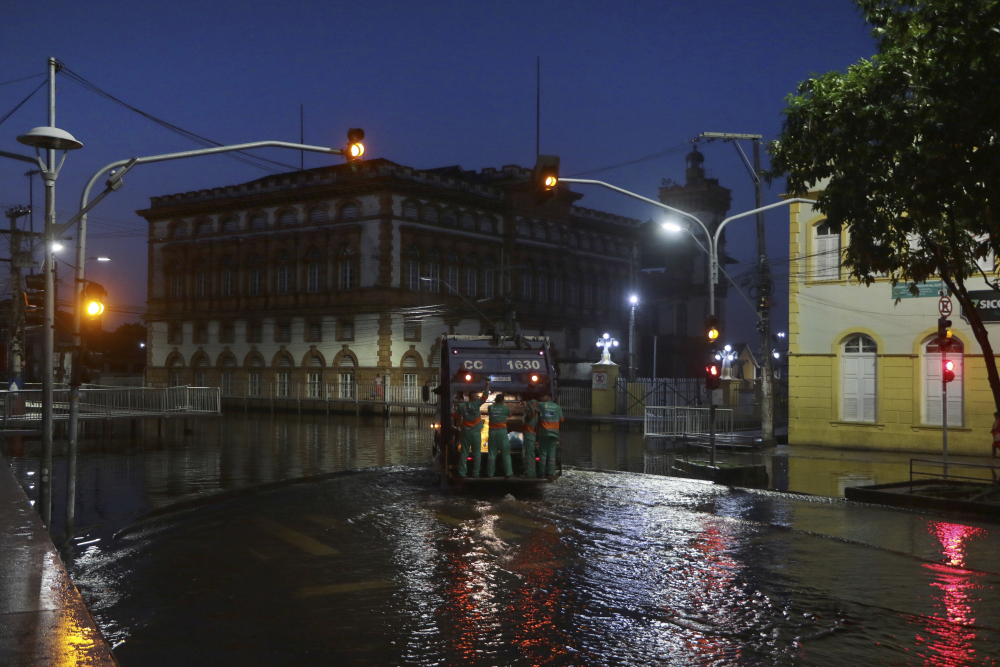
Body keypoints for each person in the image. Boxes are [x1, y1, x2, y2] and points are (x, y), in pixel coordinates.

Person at [452, 382, 489, 477]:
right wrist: (487, 385)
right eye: (476, 396)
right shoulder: (476, 404)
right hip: (476, 433)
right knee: (477, 454)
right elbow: (485, 396)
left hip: (466, 433)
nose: (477, 397)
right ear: (472, 397)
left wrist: (450, 411)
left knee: (464, 453)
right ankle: (476, 473)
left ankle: (462, 472)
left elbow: (455, 415)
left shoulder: (462, 406)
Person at [536, 393, 564, 480]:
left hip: (544, 433)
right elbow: (562, 419)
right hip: (554, 434)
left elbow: (533, 405)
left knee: (543, 453)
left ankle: (542, 473)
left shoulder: (541, 405)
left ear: (545, 397)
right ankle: (550, 474)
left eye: (542, 397)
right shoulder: (557, 407)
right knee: (552, 454)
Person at [487, 393, 514, 477]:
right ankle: (508, 473)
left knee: (491, 454)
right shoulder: (505, 408)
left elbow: (490, 408)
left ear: (495, 400)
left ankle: (490, 474)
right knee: (506, 454)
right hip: (502, 433)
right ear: (502, 401)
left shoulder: (490, 407)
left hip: (492, 433)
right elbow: (510, 414)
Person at [521, 396, 539, 478]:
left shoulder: (532, 412)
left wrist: (529, 406)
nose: (523, 406)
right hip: (527, 435)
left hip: (530, 435)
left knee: (529, 454)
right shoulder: (527, 412)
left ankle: (530, 473)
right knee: (526, 454)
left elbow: (532, 412)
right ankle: (528, 472)